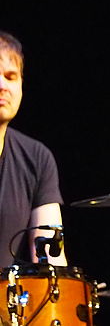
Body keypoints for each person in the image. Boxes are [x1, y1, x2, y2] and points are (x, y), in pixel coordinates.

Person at [0, 30, 67, 268]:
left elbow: (51, 254)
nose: (2, 86)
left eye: (11, 77)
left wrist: (59, 284)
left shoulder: (37, 158)